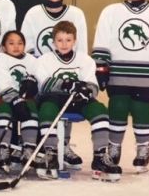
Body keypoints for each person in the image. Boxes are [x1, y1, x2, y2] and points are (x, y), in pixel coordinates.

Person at [34, 21, 121, 181]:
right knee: (46, 109)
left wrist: (86, 91)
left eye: (68, 40)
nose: (64, 44)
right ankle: (51, 153)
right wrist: (67, 84)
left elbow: (92, 84)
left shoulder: (85, 59)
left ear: (75, 41)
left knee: (100, 110)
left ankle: (100, 156)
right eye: (60, 40)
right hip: (53, 99)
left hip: (78, 100)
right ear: (53, 42)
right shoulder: (44, 59)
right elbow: (43, 84)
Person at [21, 0, 88, 169]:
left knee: (67, 105)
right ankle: (46, 147)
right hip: (43, 71)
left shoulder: (76, 13)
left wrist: (80, 72)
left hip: (69, 69)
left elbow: (81, 46)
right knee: (47, 107)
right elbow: (28, 46)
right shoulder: (34, 13)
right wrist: (35, 71)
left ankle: (64, 145)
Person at [92, 0, 149, 173]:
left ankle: (144, 147)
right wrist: (101, 67)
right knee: (117, 108)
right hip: (119, 73)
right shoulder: (111, 11)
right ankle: (114, 146)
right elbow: (102, 39)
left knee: (142, 110)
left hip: (147, 75)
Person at [0, 30, 38, 174]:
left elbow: (37, 76)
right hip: (4, 97)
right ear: (4, 46)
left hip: (24, 99)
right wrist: (14, 98)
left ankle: (28, 147)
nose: (16, 46)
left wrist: (32, 83)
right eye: (11, 43)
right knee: (4, 112)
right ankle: (3, 148)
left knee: (31, 111)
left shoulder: (31, 60)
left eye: (20, 43)